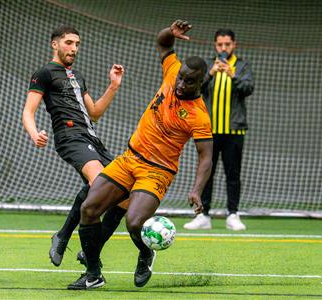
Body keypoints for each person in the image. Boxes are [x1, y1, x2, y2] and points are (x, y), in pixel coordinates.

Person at [67, 20, 213, 290]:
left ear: (200, 82)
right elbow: (163, 42)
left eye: (188, 81)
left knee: (134, 223)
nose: (180, 84)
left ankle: (146, 253)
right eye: (180, 77)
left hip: (157, 170)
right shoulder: (172, 73)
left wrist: (196, 190)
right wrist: (170, 32)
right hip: (129, 158)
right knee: (89, 208)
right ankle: (93, 273)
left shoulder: (199, 116)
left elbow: (206, 157)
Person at [22, 24, 128, 268]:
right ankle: (64, 236)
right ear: (55, 44)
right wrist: (34, 133)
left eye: (77, 44)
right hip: (70, 137)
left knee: (125, 195)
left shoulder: (78, 76)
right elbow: (28, 112)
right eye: (69, 42)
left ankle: (91, 249)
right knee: (99, 182)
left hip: (92, 139)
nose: (73, 48)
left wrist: (113, 86)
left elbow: (95, 113)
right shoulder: (45, 73)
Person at [183, 28, 254, 231]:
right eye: (220, 44)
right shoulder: (206, 66)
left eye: (227, 44)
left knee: (233, 174)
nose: (224, 48)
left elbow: (249, 88)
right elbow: (193, 88)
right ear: (215, 45)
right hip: (209, 131)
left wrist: (233, 76)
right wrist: (210, 74)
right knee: (207, 173)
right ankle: (203, 215)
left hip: (234, 131)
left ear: (234, 45)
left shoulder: (242, 66)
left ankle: (233, 214)